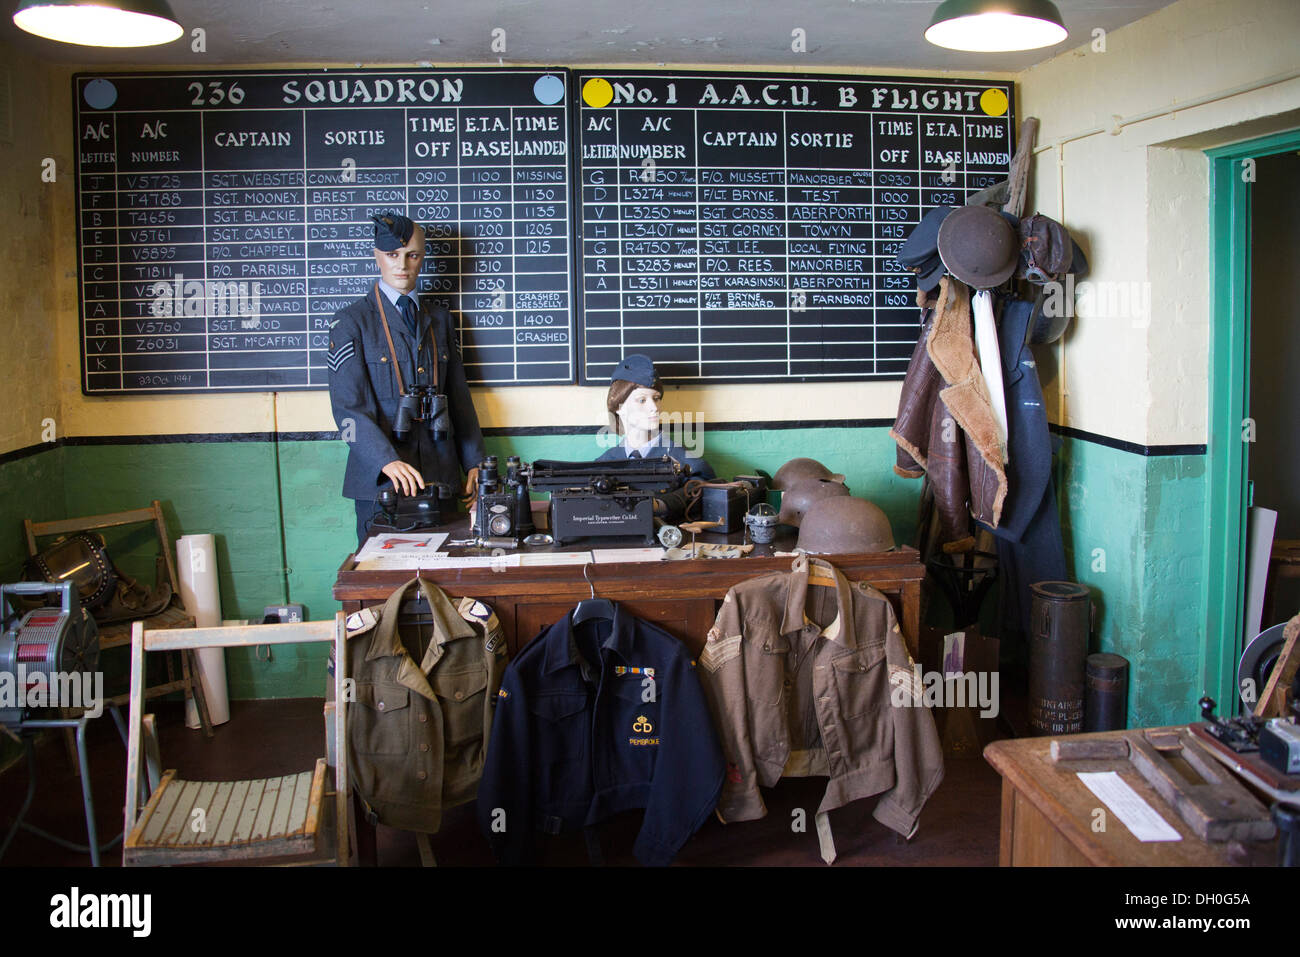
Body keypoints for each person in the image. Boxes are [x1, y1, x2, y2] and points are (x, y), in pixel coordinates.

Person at [327, 212, 484, 546]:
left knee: (447, 577)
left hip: (440, 477)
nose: (402, 264)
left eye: (412, 255)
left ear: (423, 257)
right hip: (381, 485)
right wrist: (386, 460)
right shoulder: (350, 322)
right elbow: (347, 412)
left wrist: (474, 463)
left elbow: (459, 401)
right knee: (385, 588)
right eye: (392, 255)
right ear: (376, 255)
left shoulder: (441, 320)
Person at [597, 354, 715, 519]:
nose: (654, 407)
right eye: (642, 400)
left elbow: (706, 486)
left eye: (656, 398)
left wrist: (662, 505)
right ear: (619, 407)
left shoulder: (682, 457)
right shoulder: (604, 462)